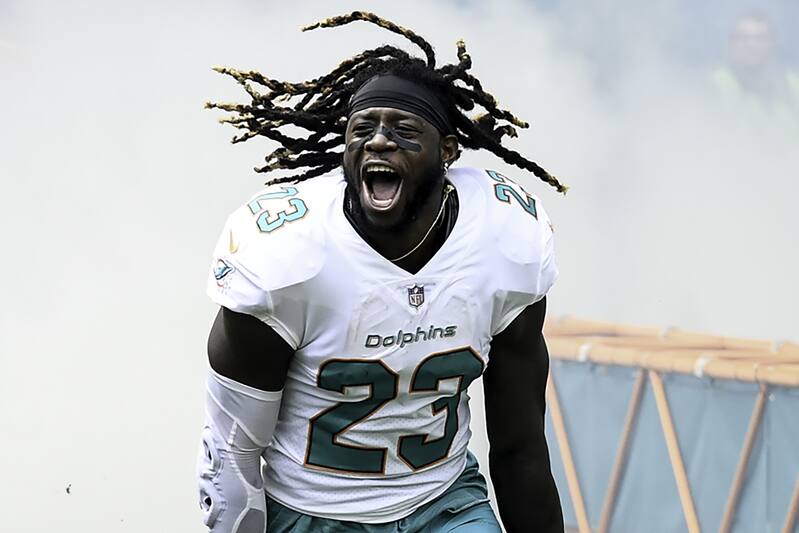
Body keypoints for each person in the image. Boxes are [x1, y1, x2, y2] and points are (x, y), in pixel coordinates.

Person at [198, 11, 566, 533]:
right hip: (313, 515)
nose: (378, 141)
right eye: (363, 128)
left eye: (403, 129)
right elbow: (230, 451)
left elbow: (521, 444)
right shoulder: (286, 255)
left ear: (448, 152)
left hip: (443, 504)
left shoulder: (504, 240)